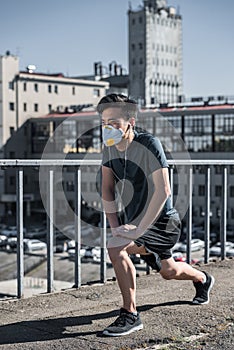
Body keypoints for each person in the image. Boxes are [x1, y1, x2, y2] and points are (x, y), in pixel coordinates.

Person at [97, 93, 215, 337]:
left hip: (162, 222)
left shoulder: (149, 144)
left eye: (114, 122)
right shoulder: (109, 150)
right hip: (135, 224)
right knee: (168, 271)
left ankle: (130, 315)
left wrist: (137, 230)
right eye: (104, 123)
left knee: (115, 247)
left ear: (130, 120)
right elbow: (107, 189)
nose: (108, 128)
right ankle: (203, 279)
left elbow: (163, 190)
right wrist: (116, 226)